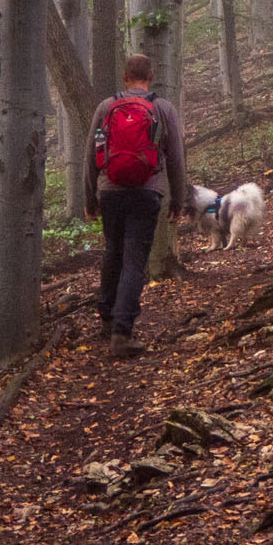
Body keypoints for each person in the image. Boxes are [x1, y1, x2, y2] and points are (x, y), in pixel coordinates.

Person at [86, 54, 189, 359]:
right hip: (148, 192)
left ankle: (106, 317)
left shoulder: (106, 107)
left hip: (110, 191)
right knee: (133, 260)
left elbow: (91, 153)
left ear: (125, 76)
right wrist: (178, 199)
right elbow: (176, 158)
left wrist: (89, 197)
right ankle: (122, 332)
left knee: (113, 252)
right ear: (151, 76)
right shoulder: (163, 108)